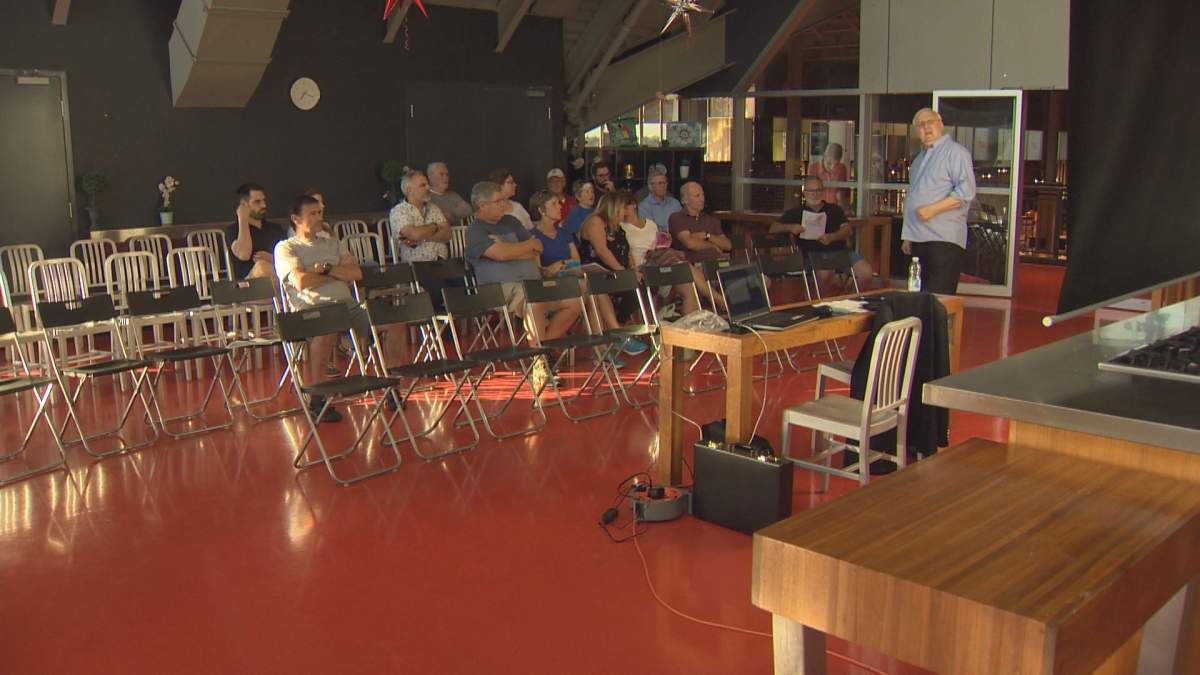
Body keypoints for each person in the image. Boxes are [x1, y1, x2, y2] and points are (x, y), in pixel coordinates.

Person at [274, 196, 400, 423]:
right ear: (296, 219)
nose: (318, 218)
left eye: (319, 213)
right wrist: (335, 272)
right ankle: (317, 396)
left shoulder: (332, 242)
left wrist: (325, 269)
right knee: (328, 328)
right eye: (312, 214)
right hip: (313, 310)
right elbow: (301, 281)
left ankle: (391, 383)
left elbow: (356, 274)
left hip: (348, 306)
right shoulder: (286, 248)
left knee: (395, 322)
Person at [464, 181, 580, 342]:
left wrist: (508, 247)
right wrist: (521, 248)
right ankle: (539, 360)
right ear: (482, 205)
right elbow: (500, 255)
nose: (504, 205)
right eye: (498, 201)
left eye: (503, 200)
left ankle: (545, 346)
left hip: (533, 283)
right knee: (534, 301)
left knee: (574, 300)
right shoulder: (475, 231)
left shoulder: (511, 222)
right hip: (500, 289)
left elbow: (537, 247)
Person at [901, 108, 977, 294]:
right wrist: (908, 235)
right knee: (919, 297)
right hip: (919, 238)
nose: (926, 127)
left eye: (930, 122)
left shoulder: (955, 152)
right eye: (921, 125)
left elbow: (967, 191)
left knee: (938, 299)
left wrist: (933, 210)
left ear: (940, 124)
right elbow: (913, 195)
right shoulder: (919, 159)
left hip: (943, 239)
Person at [579, 191, 648, 355]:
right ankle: (618, 333)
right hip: (599, 272)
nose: (625, 211)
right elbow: (602, 251)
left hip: (617, 272)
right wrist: (624, 273)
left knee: (643, 285)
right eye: (623, 207)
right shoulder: (596, 221)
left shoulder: (618, 226)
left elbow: (627, 251)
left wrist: (631, 269)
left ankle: (623, 329)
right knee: (606, 286)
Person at [773, 176, 874, 288]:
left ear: (823, 191)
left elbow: (847, 230)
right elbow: (774, 228)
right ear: (804, 192)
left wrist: (832, 237)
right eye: (811, 191)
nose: (815, 194)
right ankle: (823, 299)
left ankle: (849, 298)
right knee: (825, 273)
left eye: (818, 190)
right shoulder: (795, 212)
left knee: (867, 272)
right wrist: (791, 227)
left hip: (840, 252)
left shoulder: (834, 209)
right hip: (812, 255)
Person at [621, 195, 699, 316]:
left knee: (687, 283)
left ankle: (691, 329)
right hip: (643, 267)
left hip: (658, 261)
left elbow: (657, 244)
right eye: (621, 208)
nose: (623, 211)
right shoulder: (622, 227)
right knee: (683, 266)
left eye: (626, 207)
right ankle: (717, 299)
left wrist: (664, 241)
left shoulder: (651, 224)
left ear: (634, 205)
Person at [668, 181, 731, 309]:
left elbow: (727, 245)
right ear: (684, 200)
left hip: (718, 265)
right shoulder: (677, 218)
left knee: (763, 281)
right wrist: (713, 246)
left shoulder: (711, 220)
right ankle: (720, 302)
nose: (702, 199)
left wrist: (706, 235)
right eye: (697, 196)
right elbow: (690, 243)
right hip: (696, 267)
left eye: (702, 195)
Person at [228, 183, 288, 280]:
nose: (263, 205)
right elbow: (244, 254)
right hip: (248, 284)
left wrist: (273, 259)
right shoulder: (233, 230)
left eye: (264, 201)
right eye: (257, 202)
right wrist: (242, 219)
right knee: (262, 267)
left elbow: (291, 256)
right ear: (244, 204)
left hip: (278, 275)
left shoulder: (275, 228)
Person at [637, 168, 681, 233]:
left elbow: (682, 224)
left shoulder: (675, 203)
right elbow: (650, 230)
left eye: (665, 183)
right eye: (660, 183)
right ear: (650, 186)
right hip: (656, 241)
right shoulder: (644, 207)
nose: (663, 186)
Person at [807, 142, 849, 207]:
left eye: (836, 164)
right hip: (818, 209)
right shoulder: (814, 168)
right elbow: (810, 194)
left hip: (835, 209)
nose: (832, 167)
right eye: (829, 163)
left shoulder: (842, 168)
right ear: (824, 156)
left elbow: (843, 193)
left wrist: (841, 198)